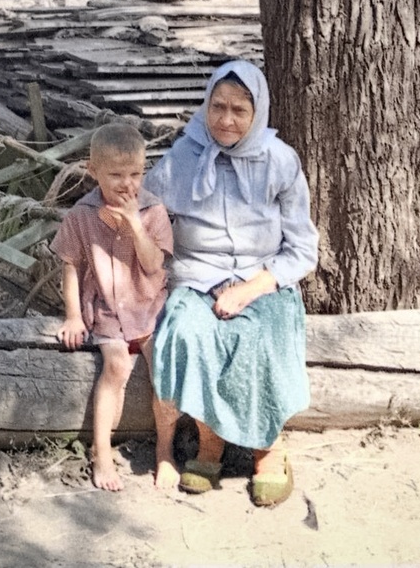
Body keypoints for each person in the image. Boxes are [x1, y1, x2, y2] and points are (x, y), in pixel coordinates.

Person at [144, 60, 319, 508]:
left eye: (239, 110)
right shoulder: (184, 155)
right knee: (185, 329)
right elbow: (143, 207)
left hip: (260, 278)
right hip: (196, 275)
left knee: (256, 335)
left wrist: (249, 289)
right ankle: (211, 441)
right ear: (205, 106)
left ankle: (269, 449)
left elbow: (302, 250)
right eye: (217, 106)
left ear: (256, 111)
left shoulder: (278, 160)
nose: (225, 119)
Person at [52, 122, 180, 491]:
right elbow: (71, 266)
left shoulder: (153, 211)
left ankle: (165, 451)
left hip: (150, 307)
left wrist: (135, 225)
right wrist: (74, 316)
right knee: (116, 366)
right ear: (93, 172)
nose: (128, 184)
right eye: (116, 175)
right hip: (107, 310)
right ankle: (102, 453)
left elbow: (154, 265)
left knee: (165, 370)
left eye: (136, 174)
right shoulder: (80, 215)